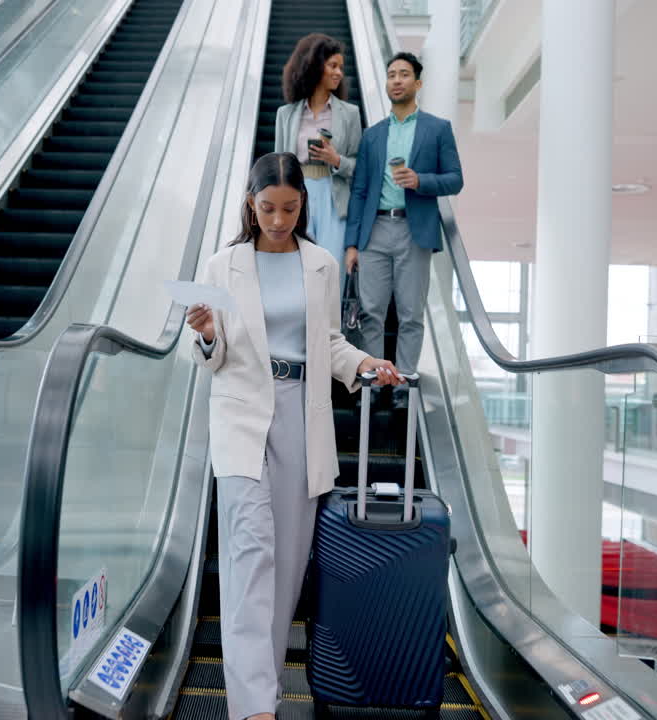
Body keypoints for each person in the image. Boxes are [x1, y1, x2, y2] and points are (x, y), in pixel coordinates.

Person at [185, 152, 404, 720]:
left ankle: (266, 690)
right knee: (250, 554)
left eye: (288, 208)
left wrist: (363, 365)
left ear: (302, 205)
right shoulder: (221, 265)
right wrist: (208, 335)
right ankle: (254, 707)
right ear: (250, 206)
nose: (278, 220)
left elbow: (328, 342)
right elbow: (213, 356)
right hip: (241, 415)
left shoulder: (322, 265)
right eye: (267, 208)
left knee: (285, 567)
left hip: (300, 414)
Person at [344, 51, 463, 407]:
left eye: (404, 74)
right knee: (371, 311)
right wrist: (351, 243)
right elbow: (360, 189)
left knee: (411, 312)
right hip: (374, 229)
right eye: (392, 74)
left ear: (418, 83)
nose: (396, 80)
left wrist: (420, 180)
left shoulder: (437, 129)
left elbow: (455, 179)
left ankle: (402, 385)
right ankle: (373, 382)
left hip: (414, 229)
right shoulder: (372, 135)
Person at [274, 34, 361, 291]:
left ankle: (330, 331)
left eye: (341, 68)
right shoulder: (286, 114)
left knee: (330, 271)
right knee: (295, 271)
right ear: (314, 65)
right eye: (333, 66)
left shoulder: (349, 113)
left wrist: (337, 160)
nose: (338, 73)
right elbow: (276, 167)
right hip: (297, 196)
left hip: (334, 198)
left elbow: (359, 168)